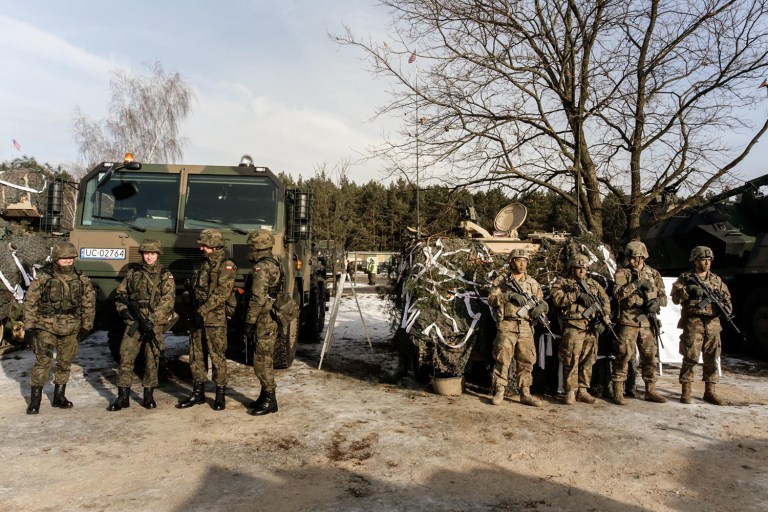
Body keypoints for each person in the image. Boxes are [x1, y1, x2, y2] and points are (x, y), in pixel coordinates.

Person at [24, 242, 96, 414]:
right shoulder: (43, 277)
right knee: (43, 362)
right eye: (64, 258)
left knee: (65, 362)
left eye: (70, 258)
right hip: (46, 325)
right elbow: (31, 302)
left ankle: (59, 397)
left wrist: (87, 325)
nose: (67, 261)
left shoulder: (81, 278)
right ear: (56, 259)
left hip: (71, 326)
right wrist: (30, 326)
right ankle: (35, 401)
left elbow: (89, 303)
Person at [108, 239, 176, 411]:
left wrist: (152, 319)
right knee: (126, 357)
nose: (149, 257)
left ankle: (148, 395)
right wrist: (123, 310)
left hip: (154, 322)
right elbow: (120, 294)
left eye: (152, 254)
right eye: (146, 253)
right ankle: (123, 396)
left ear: (158, 255)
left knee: (152, 358)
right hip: (134, 321)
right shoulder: (133, 273)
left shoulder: (164, 275)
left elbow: (168, 300)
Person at [177, 229, 237, 411]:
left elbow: (222, 293)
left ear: (215, 246)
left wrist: (202, 310)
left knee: (217, 356)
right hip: (198, 317)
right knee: (196, 356)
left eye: (205, 245)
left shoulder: (227, 266)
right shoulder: (202, 264)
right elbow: (196, 289)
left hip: (215, 319)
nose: (202, 248)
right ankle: (198, 392)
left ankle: (220, 395)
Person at [487, 248, 548, 407]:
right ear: (511, 261)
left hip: (526, 326)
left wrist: (542, 307)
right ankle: (499, 391)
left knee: (526, 361)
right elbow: (491, 299)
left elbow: (542, 301)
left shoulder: (533, 283)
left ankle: (525, 393)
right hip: (507, 324)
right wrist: (509, 295)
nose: (522, 263)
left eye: (525, 260)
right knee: (502, 359)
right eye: (519, 260)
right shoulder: (501, 280)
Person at [671, 246, 731, 405]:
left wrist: (722, 305)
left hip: (712, 323)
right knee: (690, 356)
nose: (707, 262)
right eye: (703, 259)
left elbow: (728, 302)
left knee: (712, 358)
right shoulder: (686, 278)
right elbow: (675, 299)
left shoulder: (716, 280)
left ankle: (710, 392)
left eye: (709, 259)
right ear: (695, 260)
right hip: (693, 322)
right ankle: (686, 391)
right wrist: (687, 291)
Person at [611, 240, 668, 405]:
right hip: (628, 320)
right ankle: (618, 391)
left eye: (635, 258)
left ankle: (651, 390)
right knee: (623, 355)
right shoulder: (623, 273)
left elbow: (664, 297)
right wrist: (636, 284)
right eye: (630, 258)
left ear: (643, 257)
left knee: (650, 356)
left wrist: (657, 302)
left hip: (647, 322)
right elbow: (618, 295)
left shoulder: (654, 274)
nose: (631, 261)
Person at [550, 254, 611, 405]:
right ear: (572, 268)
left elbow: (606, 302)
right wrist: (576, 295)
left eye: (583, 268)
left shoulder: (594, 285)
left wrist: (603, 316)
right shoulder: (563, 283)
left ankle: (583, 390)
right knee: (571, 359)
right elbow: (557, 300)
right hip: (573, 326)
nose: (581, 271)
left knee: (588, 359)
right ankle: (570, 390)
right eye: (578, 268)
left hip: (590, 327)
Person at [243, 229, 282, 415]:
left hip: (264, 319)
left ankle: (269, 399)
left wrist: (249, 321)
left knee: (262, 360)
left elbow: (257, 298)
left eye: (251, 246)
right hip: (269, 317)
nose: (249, 250)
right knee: (263, 357)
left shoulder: (261, 267)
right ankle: (264, 395)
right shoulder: (274, 263)